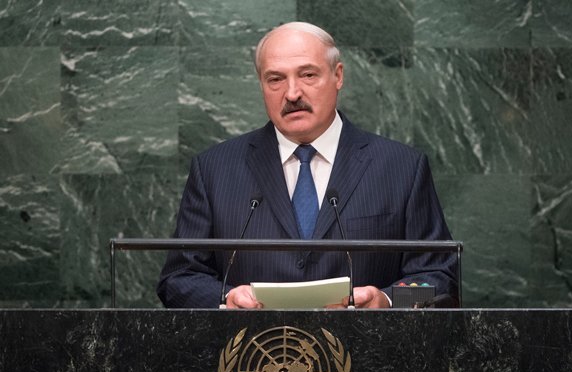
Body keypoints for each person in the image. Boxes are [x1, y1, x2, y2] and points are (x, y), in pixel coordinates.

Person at [157, 21, 458, 309]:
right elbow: (179, 279)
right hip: (252, 345)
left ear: (338, 76)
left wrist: (387, 301)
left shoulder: (401, 168)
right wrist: (226, 299)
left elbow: (438, 280)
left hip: (365, 343)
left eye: (308, 75)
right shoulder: (215, 170)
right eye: (275, 79)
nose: (292, 94)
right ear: (261, 84)